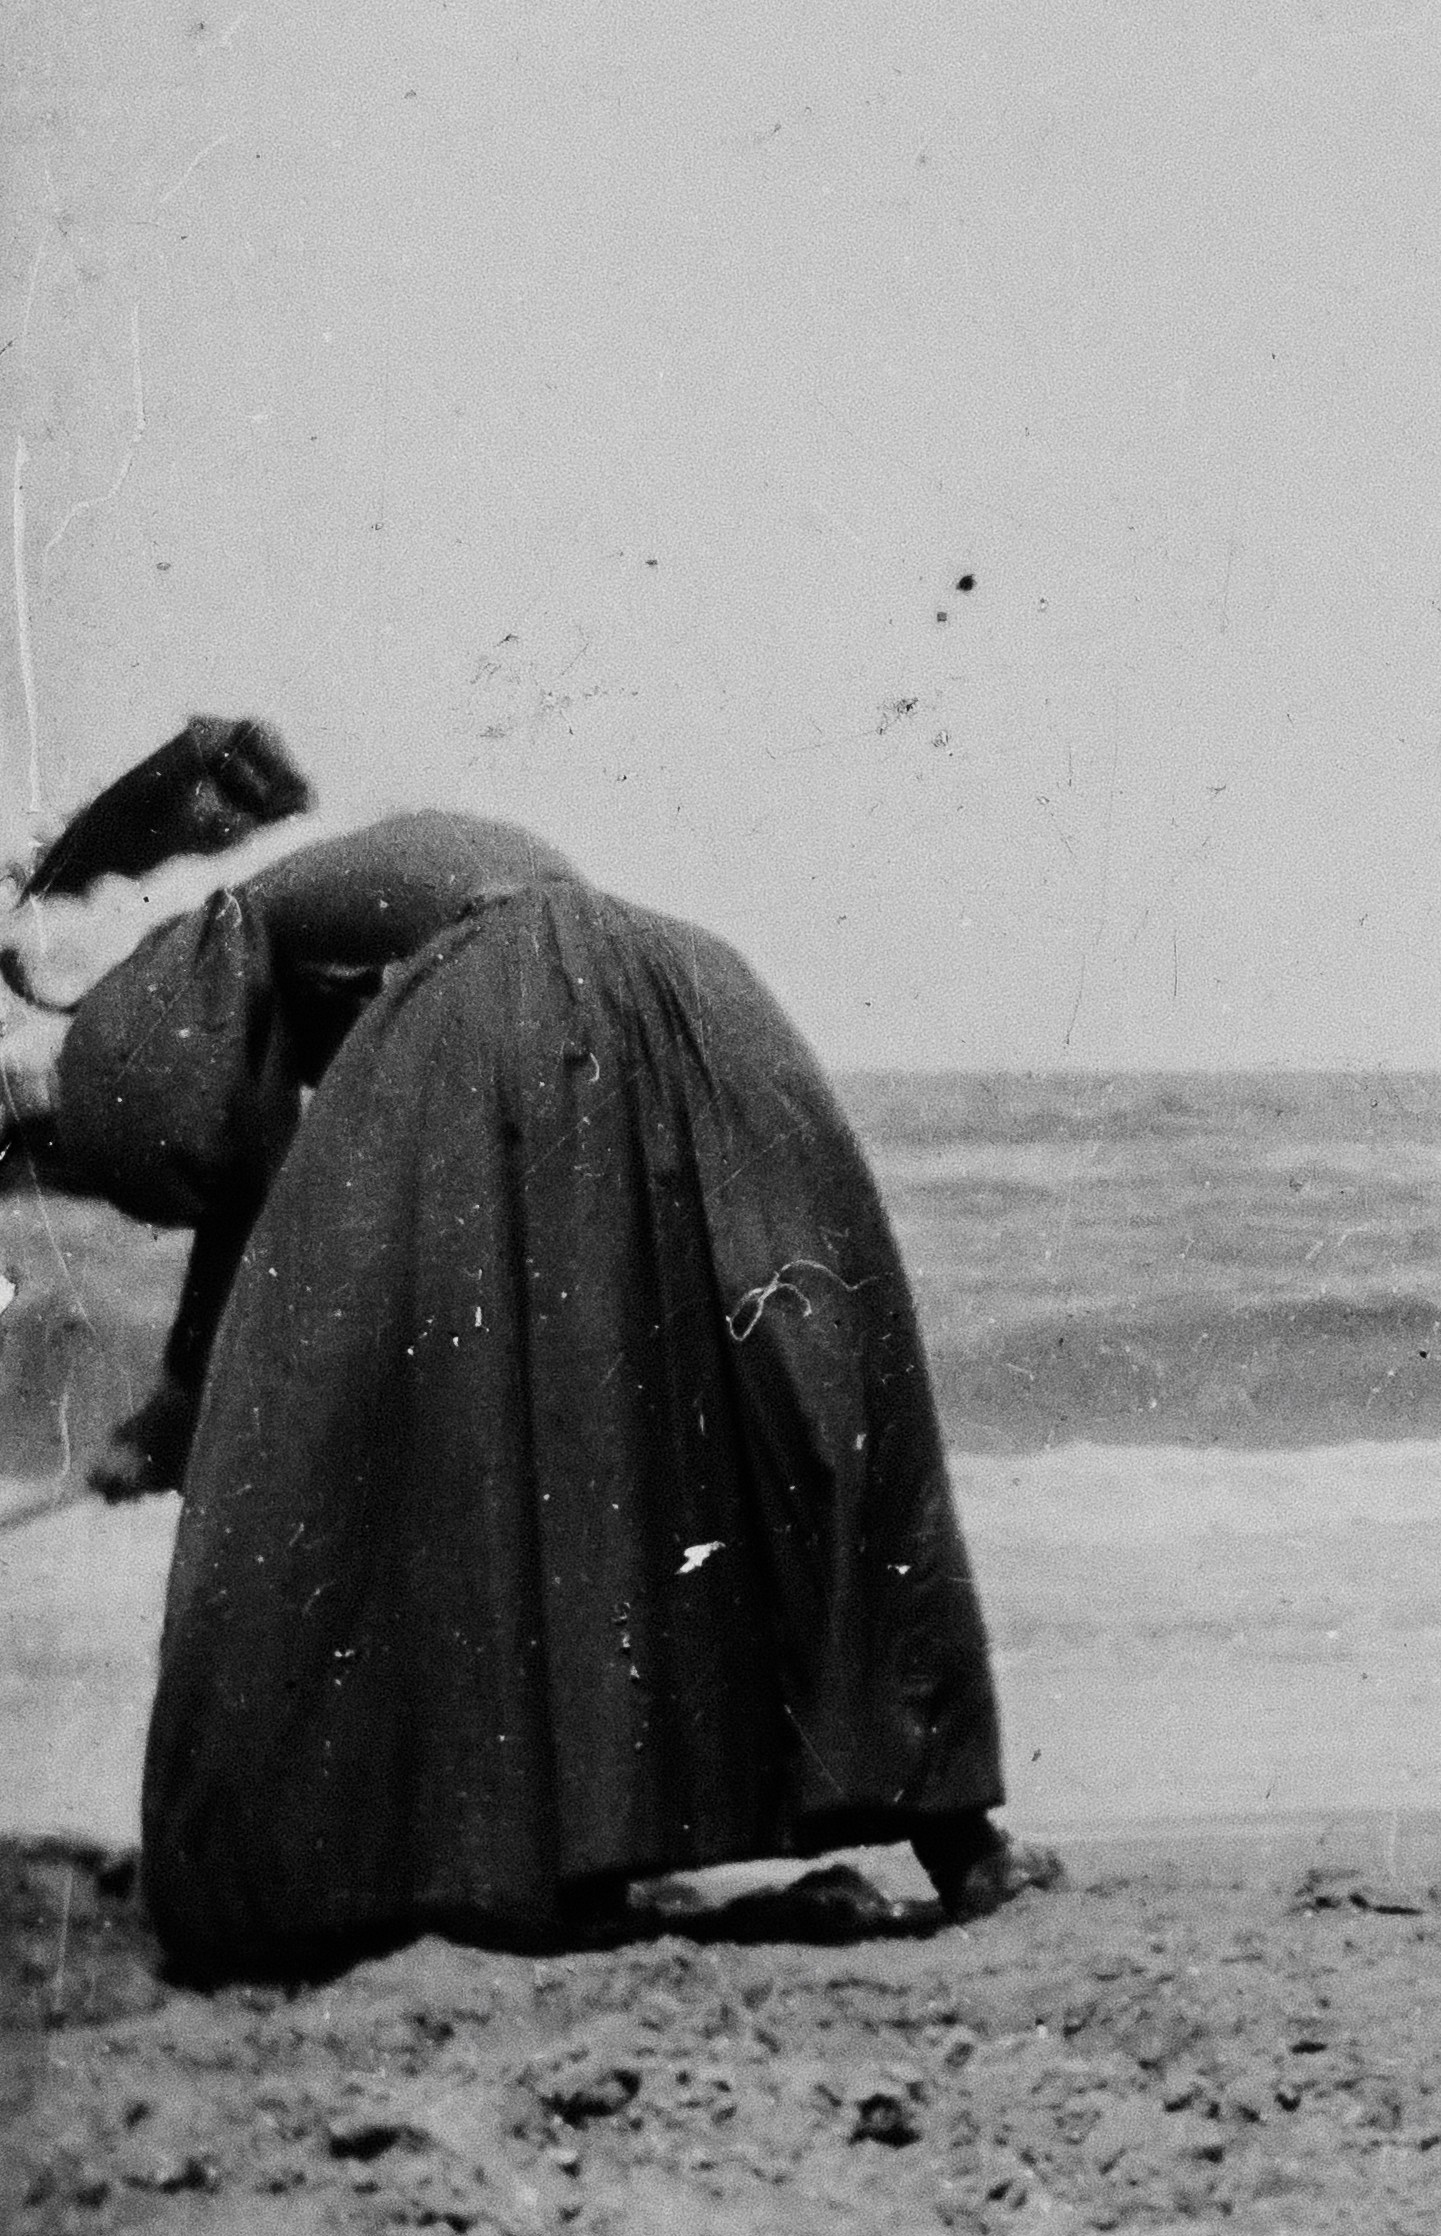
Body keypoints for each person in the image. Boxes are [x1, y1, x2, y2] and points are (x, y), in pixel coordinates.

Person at [0, 739, 1012, 1978]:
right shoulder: (345, 869)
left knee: (416, 1449)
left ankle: (453, 1873)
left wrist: (179, 1409)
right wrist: (174, 1400)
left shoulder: (205, 944)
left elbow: (211, 1161)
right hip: (683, 994)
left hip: (512, 1005)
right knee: (761, 1408)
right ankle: (963, 1848)